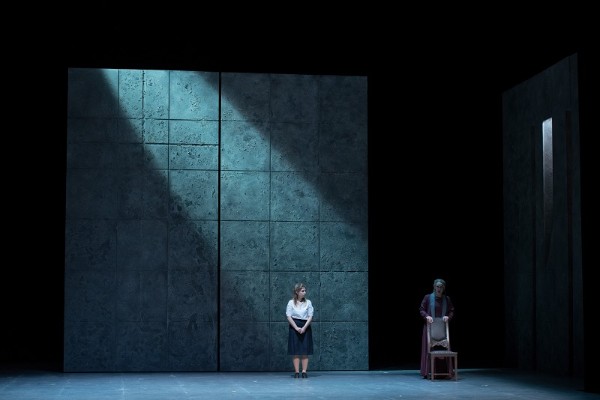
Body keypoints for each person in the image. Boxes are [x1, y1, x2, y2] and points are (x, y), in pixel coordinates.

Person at [419, 278, 455, 379]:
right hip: (429, 327)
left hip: (442, 328)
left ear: (444, 288)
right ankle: (428, 372)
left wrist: (448, 316)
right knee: (429, 348)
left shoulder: (447, 299)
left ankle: (444, 372)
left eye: (441, 287)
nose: (439, 288)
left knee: (444, 348)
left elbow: (451, 310)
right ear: (434, 287)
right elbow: (421, 309)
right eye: (437, 286)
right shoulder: (428, 297)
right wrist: (427, 316)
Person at [286, 282, 314, 378]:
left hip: (305, 326)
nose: (304, 292)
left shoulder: (308, 302)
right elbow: (289, 316)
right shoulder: (291, 303)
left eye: (305, 291)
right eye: (302, 291)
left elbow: (310, 316)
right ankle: (297, 372)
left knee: (305, 350)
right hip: (294, 326)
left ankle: (304, 371)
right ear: (297, 292)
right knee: (296, 350)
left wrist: (304, 328)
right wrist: (296, 328)